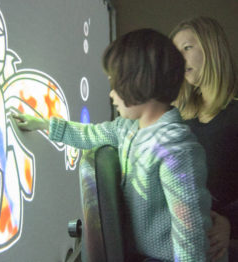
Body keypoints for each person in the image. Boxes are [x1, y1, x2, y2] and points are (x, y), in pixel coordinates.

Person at [13, 28, 212, 262]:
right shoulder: (127, 128)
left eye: (116, 84)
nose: (111, 95)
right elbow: (91, 134)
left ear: (139, 82)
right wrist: (45, 124)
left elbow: (190, 236)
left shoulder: (174, 148)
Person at [170, 16, 238, 262]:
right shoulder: (177, 119)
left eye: (187, 48)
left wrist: (230, 224)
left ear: (211, 49)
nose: (179, 59)